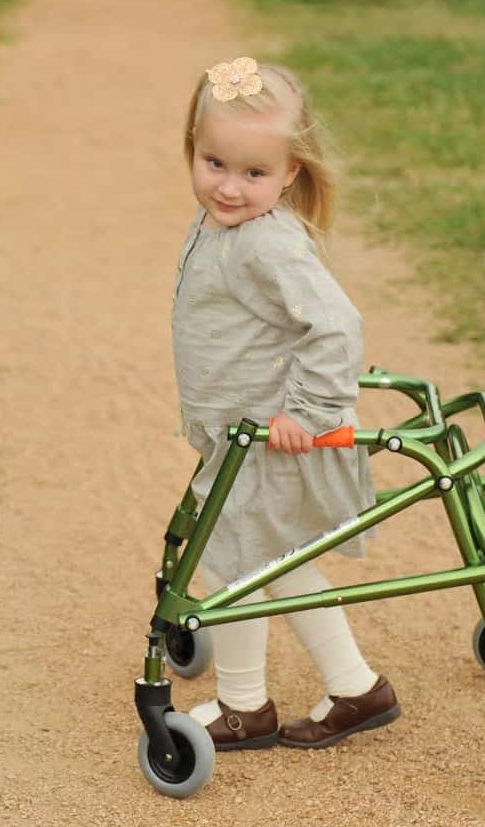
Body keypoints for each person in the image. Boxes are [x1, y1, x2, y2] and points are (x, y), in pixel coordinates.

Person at [170, 55, 400, 751]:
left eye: (255, 173)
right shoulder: (221, 225)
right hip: (242, 437)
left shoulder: (268, 243)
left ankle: (246, 706)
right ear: (194, 148)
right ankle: (357, 687)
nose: (230, 188)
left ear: (290, 172)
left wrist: (309, 413)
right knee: (281, 557)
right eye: (215, 163)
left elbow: (336, 326)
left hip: (272, 439)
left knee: (236, 560)